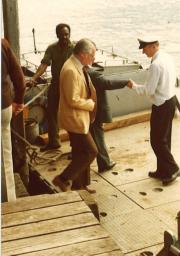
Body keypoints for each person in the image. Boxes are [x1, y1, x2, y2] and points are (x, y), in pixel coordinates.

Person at [128, 37, 180, 185]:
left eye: (144, 48)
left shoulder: (156, 65)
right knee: (165, 139)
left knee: (157, 141)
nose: (143, 52)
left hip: (161, 104)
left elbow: (149, 90)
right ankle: (162, 170)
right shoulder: (167, 57)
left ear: (152, 46)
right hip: (171, 100)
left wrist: (134, 86)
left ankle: (173, 169)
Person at [52, 38, 98, 192]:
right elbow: (72, 100)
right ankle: (63, 178)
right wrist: (91, 104)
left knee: (80, 153)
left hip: (79, 118)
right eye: (92, 55)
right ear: (83, 55)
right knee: (91, 151)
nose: (94, 59)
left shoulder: (78, 66)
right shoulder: (71, 70)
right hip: (74, 119)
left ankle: (80, 186)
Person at [27, 23, 75, 151]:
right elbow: (44, 65)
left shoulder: (75, 47)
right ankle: (54, 142)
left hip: (70, 86)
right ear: (57, 35)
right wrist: (34, 78)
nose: (65, 37)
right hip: (56, 84)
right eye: (62, 34)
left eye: (67, 34)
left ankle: (75, 146)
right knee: (51, 112)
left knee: (71, 115)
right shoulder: (52, 48)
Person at [85, 67, 130, 173]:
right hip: (95, 111)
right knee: (97, 136)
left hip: (86, 110)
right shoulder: (93, 74)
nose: (94, 58)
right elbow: (108, 83)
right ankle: (104, 163)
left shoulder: (78, 71)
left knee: (92, 135)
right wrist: (126, 82)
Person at [1, 38, 26, 201]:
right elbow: (19, 78)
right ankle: (8, 202)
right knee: (5, 157)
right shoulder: (2, 44)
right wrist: (19, 100)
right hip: (3, 106)